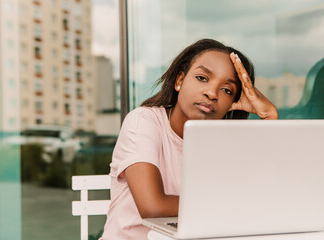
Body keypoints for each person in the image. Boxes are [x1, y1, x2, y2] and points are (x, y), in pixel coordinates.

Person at [100, 39, 278, 239]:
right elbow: (153, 207)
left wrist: (269, 115)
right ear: (179, 81)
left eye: (227, 90)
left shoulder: (222, 144)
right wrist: (231, 205)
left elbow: (265, 196)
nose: (211, 93)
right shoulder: (143, 122)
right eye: (202, 78)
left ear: (232, 103)